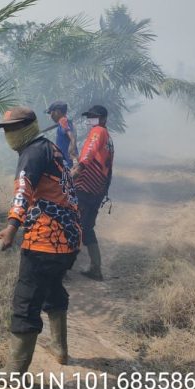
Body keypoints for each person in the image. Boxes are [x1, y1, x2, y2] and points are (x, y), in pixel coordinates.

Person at [0, 106, 81, 373]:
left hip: (45, 239)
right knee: (53, 289)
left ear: (28, 128)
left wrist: (11, 227)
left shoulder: (31, 153)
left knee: (26, 302)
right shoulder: (49, 149)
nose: (9, 134)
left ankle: (14, 374)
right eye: (6, 129)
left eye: (13, 128)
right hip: (69, 240)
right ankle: (60, 348)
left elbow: (22, 190)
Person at [71, 104, 114, 281]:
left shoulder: (98, 131)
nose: (91, 120)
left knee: (73, 224)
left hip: (86, 188)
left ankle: (61, 268)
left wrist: (78, 168)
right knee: (86, 227)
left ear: (103, 119)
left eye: (94, 117)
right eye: (89, 117)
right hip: (98, 189)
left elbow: (89, 151)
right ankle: (96, 269)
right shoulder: (108, 137)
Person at [45, 101, 78, 168]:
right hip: (67, 162)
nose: (51, 116)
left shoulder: (63, 121)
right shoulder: (65, 122)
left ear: (58, 112)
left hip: (69, 162)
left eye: (51, 113)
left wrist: (73, 157)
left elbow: (72, 138)